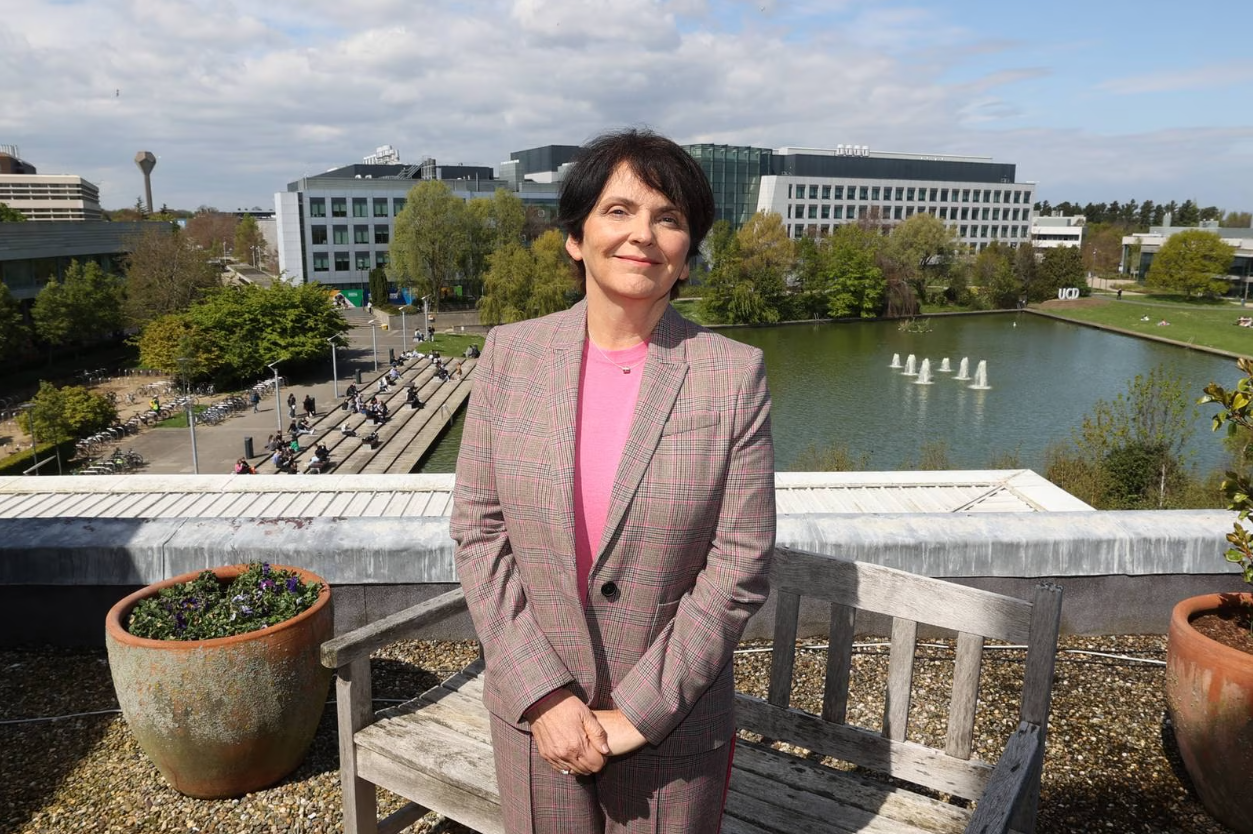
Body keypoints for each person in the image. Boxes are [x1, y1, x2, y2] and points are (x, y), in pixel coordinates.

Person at [451, 129, 775, 834]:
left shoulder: (731, 374)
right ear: (576, 237)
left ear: (687, 253)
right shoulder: (510, 356)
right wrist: (541, 692)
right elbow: (478, 534)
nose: (643, 235)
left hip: (672, 725)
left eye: (669, 218)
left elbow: (739, 561)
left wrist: (637, 713)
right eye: (619, 211)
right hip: (536, 718)